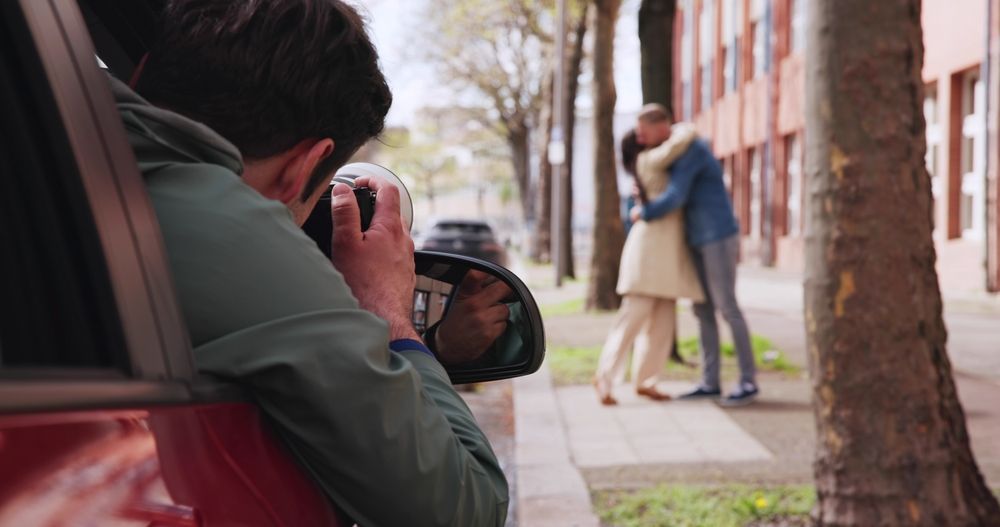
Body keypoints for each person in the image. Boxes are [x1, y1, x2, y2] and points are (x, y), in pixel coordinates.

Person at [117, 1, 508, 525]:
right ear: (303, 166)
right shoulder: (243, 244)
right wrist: (387, 312)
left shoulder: (58, 147)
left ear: (139, 72)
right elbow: (466, 506)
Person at [632, 103, 759, 406]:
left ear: (662, 127)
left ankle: (748, 381)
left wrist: (644, 212)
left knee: (727, 306)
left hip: (717, 236)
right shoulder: (674, 152)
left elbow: (677, 196)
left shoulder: (692, 150)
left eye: (643, 131)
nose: (639, 138)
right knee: (702, 310)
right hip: (695, 239)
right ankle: (710, 382)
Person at [592, 129, 704, 405]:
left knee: (662, 324)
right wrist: (677, 128)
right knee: (631, 319)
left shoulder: (653, 165)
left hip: (669, 252)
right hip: (647, 252)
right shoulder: (649, 160)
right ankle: (604, 378)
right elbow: (681, 138)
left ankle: (647, 381)